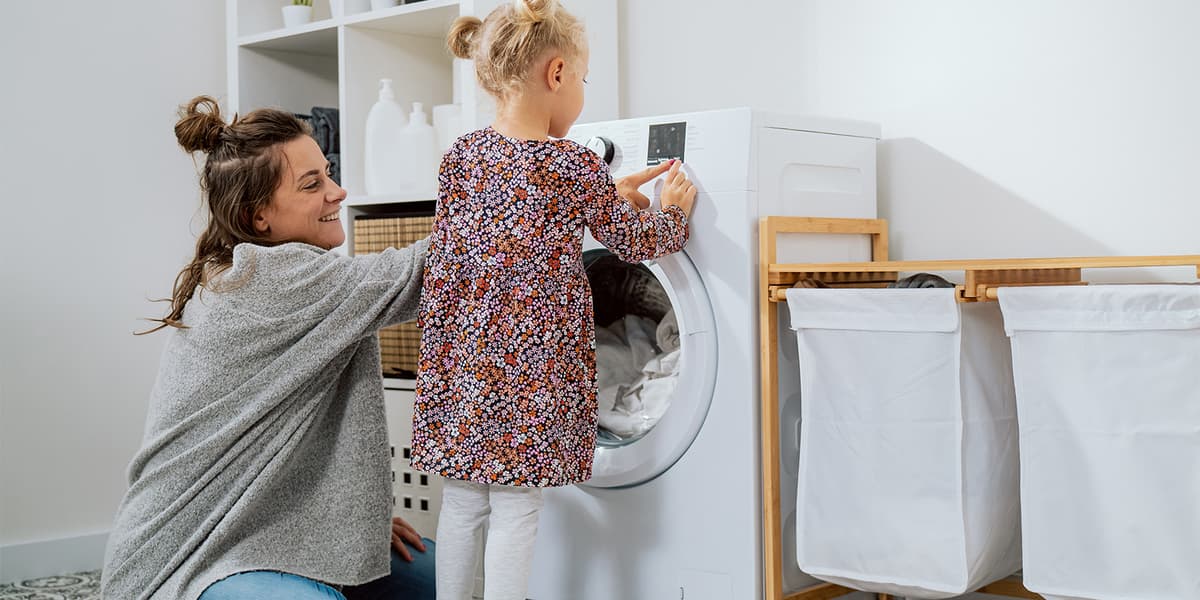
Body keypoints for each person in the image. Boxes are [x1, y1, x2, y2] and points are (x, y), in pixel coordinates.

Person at [408, 1, 699, 598]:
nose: (582, 94)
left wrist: (608, 192)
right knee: (518, 509)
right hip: (530, 370)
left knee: (464, 503)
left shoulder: (463, 156)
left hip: (462, 358)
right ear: (558, 74)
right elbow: (628, 239)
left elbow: (507, 230)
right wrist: (672, 212)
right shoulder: (569, 164)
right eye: (585, 81)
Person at [99, 96, 435, 600]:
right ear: (259, 217)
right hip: (194, 555)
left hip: (264, 530)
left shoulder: (244, 268)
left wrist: (347, 520)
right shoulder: (274, 278)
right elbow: (428, 271)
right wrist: (508, 174)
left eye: (329, 173)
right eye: (313, 184)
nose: (339, 192)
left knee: (441, 577)